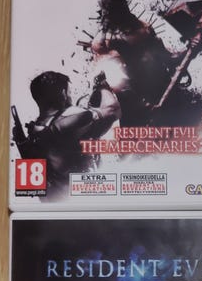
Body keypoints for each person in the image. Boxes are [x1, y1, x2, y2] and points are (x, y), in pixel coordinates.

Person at [13, 71, 121, 200]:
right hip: (82, 201)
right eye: (69, 93)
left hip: (54, 204)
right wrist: (101, 86)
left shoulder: (34, 131)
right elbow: (113, 110)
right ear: (63, 94)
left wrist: (22, 142)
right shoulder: (72, 118)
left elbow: (32, 186)